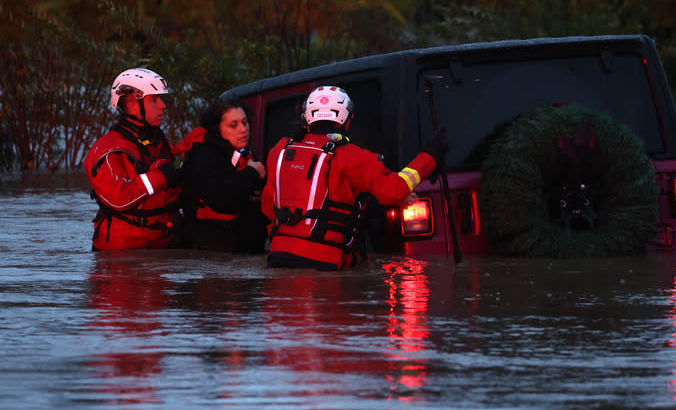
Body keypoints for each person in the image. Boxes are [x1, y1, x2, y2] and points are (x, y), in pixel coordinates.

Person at [260, 85, 448, 270]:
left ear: (307, 116)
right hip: (326, 262)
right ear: (347, 120)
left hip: (278, 258)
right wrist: (431, 155)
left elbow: (268, 207)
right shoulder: (354, 157)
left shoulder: (279, 151)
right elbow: (395, 190)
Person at [83, 68, 182, 251]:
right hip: (122, 257)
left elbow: (174, 182)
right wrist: (161, 176)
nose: (163, 105)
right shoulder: (108, 149)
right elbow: (119, 198)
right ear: (133, 104)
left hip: (161, 247)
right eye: (154, 99)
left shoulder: (157, 141)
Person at [176, 98, 267, 253]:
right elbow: (223, 198)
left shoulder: (244, 155)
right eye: (233, 125)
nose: (243, 129)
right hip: (212, 251)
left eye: (245, 122)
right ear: (217, 128)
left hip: (241, 250)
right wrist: (252, 172)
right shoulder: (205, 156)